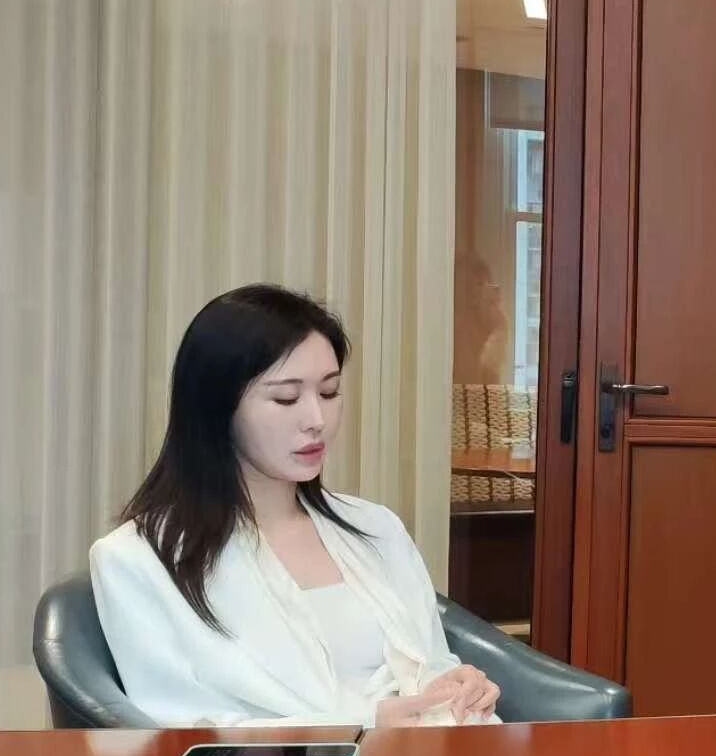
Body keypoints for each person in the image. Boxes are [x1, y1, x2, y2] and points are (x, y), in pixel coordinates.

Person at [90, 285, 500, 727]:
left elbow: (429, 665)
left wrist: (460, 686)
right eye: (286, 398)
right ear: (216, 407)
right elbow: (178, 731)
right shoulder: (137, 560)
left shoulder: (376, 528)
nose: (316, 420)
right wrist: (366, 725)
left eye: (329, 392)